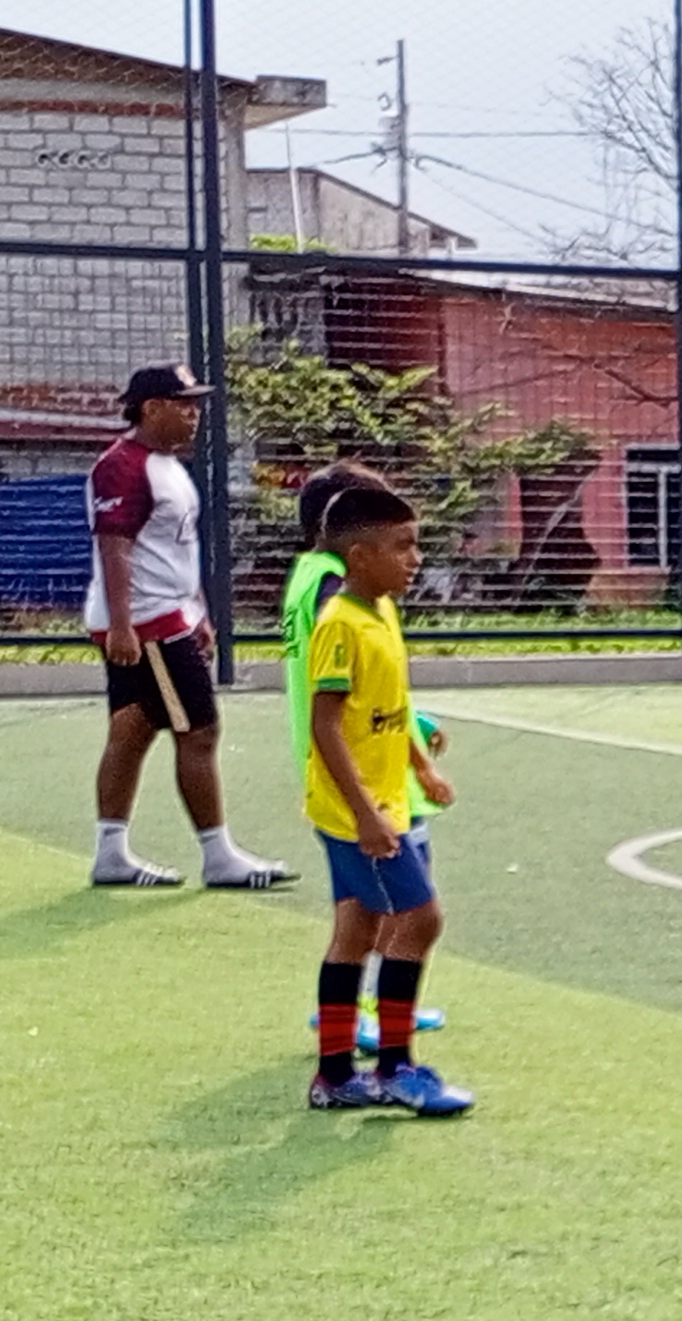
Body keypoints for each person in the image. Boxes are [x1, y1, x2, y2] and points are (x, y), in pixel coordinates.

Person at [300, 482, 472, 1117]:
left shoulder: (383, 612)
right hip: (359, 814)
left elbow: (389, 710)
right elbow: (325, 725)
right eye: (402, 546)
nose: (415, 558)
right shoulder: (340, 625)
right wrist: (367, 815)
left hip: (382, 802)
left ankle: (334, 1076)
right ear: (360, 555)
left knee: (357, 929)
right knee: (421, 920)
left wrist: (421, 768)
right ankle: (397, 1068)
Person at [86, 363, 289, 889]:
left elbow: (175, 546)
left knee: (132, 729)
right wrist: (124, 625)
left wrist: (197, 609)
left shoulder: (168, 466)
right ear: (151, 408)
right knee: (199, 730)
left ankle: (111, 854)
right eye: (183, 403)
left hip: (165, 615)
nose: (194, 413)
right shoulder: (122, 466)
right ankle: (218, 857)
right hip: (148, 622)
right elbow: (115, 546)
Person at [281, 463, 443, 1052]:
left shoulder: (306, 576)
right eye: (399, 542)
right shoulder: (339, 592)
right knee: (410, 912)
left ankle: (347, 1029)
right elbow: (346, 682)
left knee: (360, 912)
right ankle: (378, 1029)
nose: (411, 556)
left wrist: (413, 738)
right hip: (359, 770)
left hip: (359, 760)